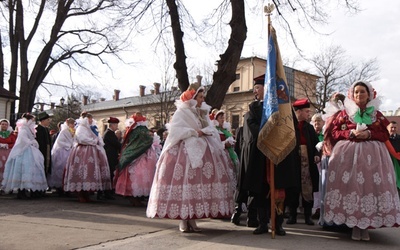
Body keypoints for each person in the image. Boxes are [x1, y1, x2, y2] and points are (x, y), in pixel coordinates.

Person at [146, 82, 235, 232]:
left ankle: (192, 218)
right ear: (192, 97)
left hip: (203, 151)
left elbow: (211, 128)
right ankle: (183, 219)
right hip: (183, 153)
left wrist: (205, 131)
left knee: (196, 186)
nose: (202, 99)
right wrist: (195, 132)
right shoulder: (181, 112)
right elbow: (175, 131)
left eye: (202, 97)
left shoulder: (203, 112)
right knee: (184, 185)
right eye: (199, 96)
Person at [323, 81, 400, 241]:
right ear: (352, 94)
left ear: (369, 94)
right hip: (348, 158)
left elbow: (385, 134)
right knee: (352, 188)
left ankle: (365, 226)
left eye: (362, 92)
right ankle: (354, 226)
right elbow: (335, 132)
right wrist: (350, 134)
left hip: (372, 159)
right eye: (356, 92)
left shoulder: (377, 114)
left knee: (368, 189)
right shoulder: (344, 113)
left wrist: (369, 135)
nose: (359, 95)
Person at [286, 98, 320, 226]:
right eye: (306, 111)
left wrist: (317, 154)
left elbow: (317, 144)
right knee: (293, 187)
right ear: (298, 112)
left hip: (308, 161)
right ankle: (292, 215)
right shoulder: (290, 126)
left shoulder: (309, 128)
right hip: (293, 160)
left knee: (308, 188)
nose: (308, 114)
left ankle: (307, 216)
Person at [63, 113, 111, 202]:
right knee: (82, 171)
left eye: (91, 119)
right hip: (82, 152)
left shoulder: (92, 128)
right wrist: (94, 141)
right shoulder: (81, 128)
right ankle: (80, 194)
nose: (91, 121)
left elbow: (98, 137)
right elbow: (81, 139)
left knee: (90, 172)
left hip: (92, 152)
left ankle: (86, 193)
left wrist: (97, 141)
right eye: (89, 119)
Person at [113, 113, 158, 206]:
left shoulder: (132, 129)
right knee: (139, 175)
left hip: (132, 153)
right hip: (140, 155)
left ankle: (134, 197)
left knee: (135, 175)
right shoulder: (141, 129)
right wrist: (152, 139)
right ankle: (135, 197)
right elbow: (146, 140)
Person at [1, 113, 48, 199]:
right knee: (23, 170)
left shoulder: (29, 129)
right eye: (32, 120)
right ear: (28, 120)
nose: (33, 122)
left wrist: (34, 142)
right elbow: (22, 139)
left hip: (30, 149)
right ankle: (21, 191)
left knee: (33, 169)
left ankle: (33, 190)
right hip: (24, 151)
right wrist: (31, 142)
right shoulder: (23, 128)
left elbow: (31, 138)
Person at [47, 118, 75, 195]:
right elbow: (60, 141)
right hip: (62, 151)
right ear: (68, 124)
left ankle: (66, 186)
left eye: (73, 124)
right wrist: (69, 145)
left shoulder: (72, 131)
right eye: (72, 124)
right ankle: (59, 187)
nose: (73, 125)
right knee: (61, 167)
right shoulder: (64, 131)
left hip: (69, 150)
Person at [99, 117, 121, 200]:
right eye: (116, 125)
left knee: (110, 174)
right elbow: (116, 144)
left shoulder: (110, 133)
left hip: (111, 156)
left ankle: (108, 191)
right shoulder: (109, 133)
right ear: (112, 125)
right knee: (109, 174)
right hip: (109, 157)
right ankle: (106, 192)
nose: (117, 127)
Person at [310, 113, 324, 220]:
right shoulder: (311, 133)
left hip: (323, 161)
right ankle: (315, 207)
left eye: (318, 122)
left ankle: (320, 207)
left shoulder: (324, 135)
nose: (316, 124)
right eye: (315, 122)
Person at [0, 119, 17, 191]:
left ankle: (6, 186)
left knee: (7, 168)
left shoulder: (11, 134)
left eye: (5, 124)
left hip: (8, 153)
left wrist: (7, 145)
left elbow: (15, 143)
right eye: (2, 124)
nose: (4, 125)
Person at [35, 112, 52, 177]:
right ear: (43, 120)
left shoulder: (46, 129)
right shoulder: (38, 129)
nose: (49, 121)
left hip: (47, 149)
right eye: (48, 120)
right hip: (41, 150)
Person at [387, 121, 400, 195]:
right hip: (387, 162)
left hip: (398, 163)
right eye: (391, 127)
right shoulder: (384, 140)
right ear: (388, 128)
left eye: (395, 127)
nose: (393, 129)